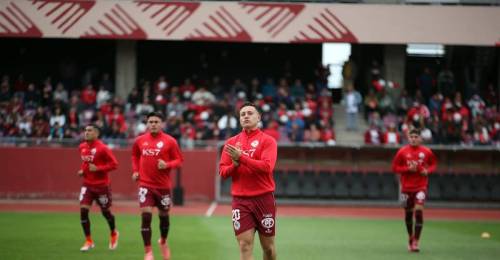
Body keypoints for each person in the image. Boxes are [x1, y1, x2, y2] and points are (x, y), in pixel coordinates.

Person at [219, 102, 278, 260]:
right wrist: (234, 165)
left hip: (264, 199)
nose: (246, 116)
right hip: (240, 201)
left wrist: (241, 158)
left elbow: (267, 167)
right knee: (244, 246)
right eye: (242, 114)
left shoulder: (268, 141)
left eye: (250, 113)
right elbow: (223, 172)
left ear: (258, 117)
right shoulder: (231, 143)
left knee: (269, 249)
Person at [132, 111, 183, 260]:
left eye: (156, 122)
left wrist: (167, 164)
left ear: (162, 124)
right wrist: (136, 171)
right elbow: (135, 155)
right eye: (151, 122)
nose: (153, 124)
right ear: (147, 124)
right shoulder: (140, 140)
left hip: (163, 187)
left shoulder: (170, 141)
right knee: (146, 215)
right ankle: (148, 251)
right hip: (145, 185)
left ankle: (163, 241)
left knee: (164, 217)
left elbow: (179, 160)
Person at [392, 128, 437, 253]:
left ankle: (416, 241)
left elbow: (433, 164)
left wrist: (427, 171)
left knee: (418, 212)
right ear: (408, 138)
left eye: (416, 137)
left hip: (421, 187)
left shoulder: (427, 152)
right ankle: (410, 237)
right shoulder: (402, 152)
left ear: (420, 139)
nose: (413, 139)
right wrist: (407, 169)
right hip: (405, 188)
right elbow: (394, 167)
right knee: (407, 214)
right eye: (411, 137)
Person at [77, 124, 119, 252]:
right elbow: (86, 162)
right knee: (83, 211)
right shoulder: (82, 147)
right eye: (85, 130)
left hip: (102, 186)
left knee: (106, 212)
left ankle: (113, 233)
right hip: (87, 185)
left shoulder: (103, 148)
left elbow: (114, 164)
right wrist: (82, 171)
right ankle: (89, 241)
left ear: (96, 134)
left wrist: (98, 168)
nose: (86, 133)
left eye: (89, 131)